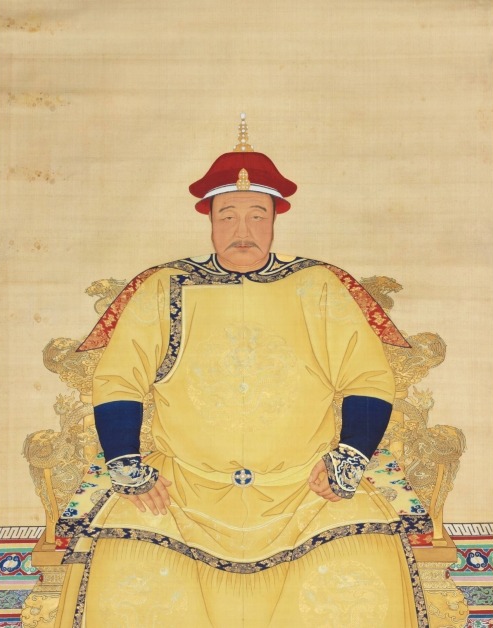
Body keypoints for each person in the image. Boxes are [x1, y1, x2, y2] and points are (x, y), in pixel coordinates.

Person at [55, 115, 428, 627]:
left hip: (306, 488)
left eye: (257, 216)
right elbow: (119, 379)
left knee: (364, 570)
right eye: (228, 217)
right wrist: (127, 464)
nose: (243, 231)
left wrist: (347, 458)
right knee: (128, 575)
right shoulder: (165, 286)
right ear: (210, 220)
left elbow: (367, 377)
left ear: (275, 220)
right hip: (183, 488)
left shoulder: (318, 285)